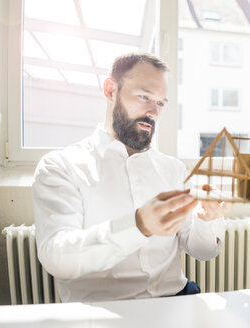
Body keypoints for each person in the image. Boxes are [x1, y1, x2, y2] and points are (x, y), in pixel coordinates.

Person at [32, 53, 231, 302]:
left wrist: (206, 220)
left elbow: (203, 252)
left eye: (160, 103)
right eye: (144, 97)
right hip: (104, 314)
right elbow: (57, 257)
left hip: (177, 300)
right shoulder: (60, 166)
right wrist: (137, 226)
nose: (153, 112)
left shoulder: (173, 169)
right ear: (110, 90)